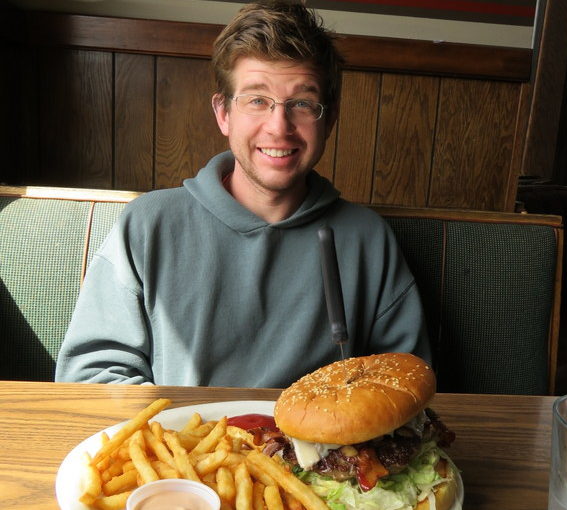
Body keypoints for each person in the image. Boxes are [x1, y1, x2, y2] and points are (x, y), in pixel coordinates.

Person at [55, 0, 429, 386]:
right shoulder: (148, 224)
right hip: (190, 443)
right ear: (224, 114)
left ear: (329, 119)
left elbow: (404, 384)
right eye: (256, 100)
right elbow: (89, 377)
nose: (278, 126)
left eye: (302, 103)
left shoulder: (368, 238)